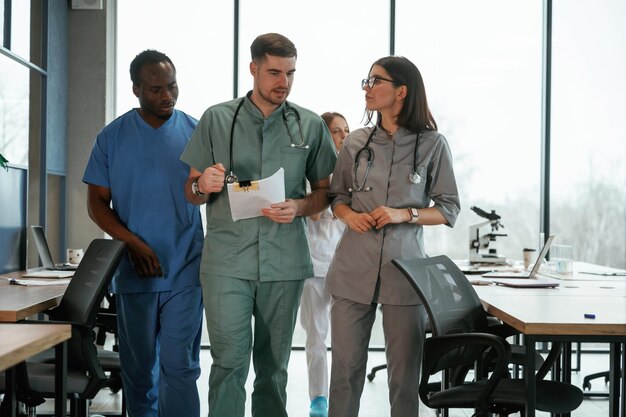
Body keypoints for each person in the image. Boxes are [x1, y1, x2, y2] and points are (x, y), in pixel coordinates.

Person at [180, 33, 338, 417]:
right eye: (273, 72)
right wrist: (204, 184)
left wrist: (299, 207)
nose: (282, 81)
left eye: (290, 73)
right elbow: (191, 190)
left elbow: (325, 193)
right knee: (230, 363)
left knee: (273, 370)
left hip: (284, 263)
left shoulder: (310, 125)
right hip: (227, 265)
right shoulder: (217, 119)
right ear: (253, 69)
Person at [326, 56, 461, 417]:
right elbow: (336, 197)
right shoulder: (355, 142)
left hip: (406, 275)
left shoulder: (433, 144)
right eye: (366, 81)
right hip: (353, 270)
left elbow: (449, 208)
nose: (367, 89)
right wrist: (350, 216)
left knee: (404, 379)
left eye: (376, 81)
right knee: (344, 374)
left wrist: (406, 213)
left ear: (401, 91)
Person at [82, 50, 204, 417]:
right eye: (155, 89)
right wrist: (133, 243)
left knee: (179, 367)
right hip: (135, 273)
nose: (167, 95)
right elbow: (97, 204)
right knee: (138, 373)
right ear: (136, 89)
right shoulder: (112, 137)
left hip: (185, 267)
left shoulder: (196, 131)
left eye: (172, 86)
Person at [300, 112, 349, 417]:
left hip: (346, 265)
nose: (343, 137)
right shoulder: (310, 172)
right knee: (317, 336)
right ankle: (319, 399)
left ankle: (343, 396)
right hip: (314, 265)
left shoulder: (357, 172)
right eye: (336, 131)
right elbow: (316, 213)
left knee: (346, 338)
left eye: (346, 131)